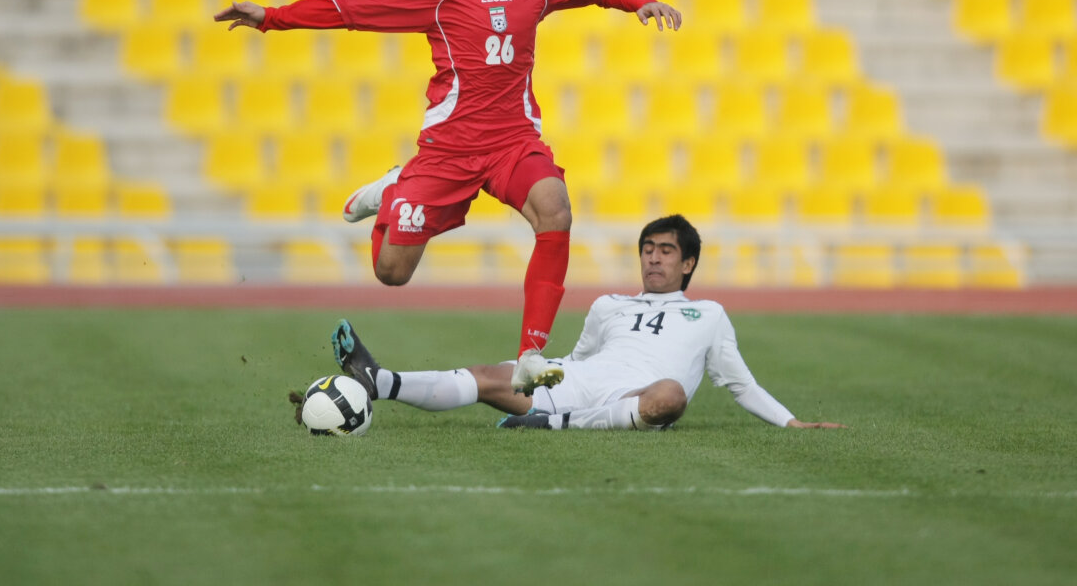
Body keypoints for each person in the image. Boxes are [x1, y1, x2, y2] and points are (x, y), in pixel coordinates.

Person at [215, 0, 682, 395]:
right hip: (448, 151)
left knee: (556, 210)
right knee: (392, 272)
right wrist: (273, 18)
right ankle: (393, 191)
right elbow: (354, 8)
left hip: (512, 142)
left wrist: (642, 2)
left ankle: (530, 355)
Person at [327, 214, 847, 431]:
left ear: (688, 263)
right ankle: (380, 381)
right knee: (488, 375)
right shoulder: (608, 304)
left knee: (670, 396)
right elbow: (576, 361)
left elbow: (740, 384)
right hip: (582, 384)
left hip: (640, 397)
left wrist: (791, 423)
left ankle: (554, 424)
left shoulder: (709, 314)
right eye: (648, 249)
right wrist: (536, 372)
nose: (654, 258)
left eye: (666, 251)